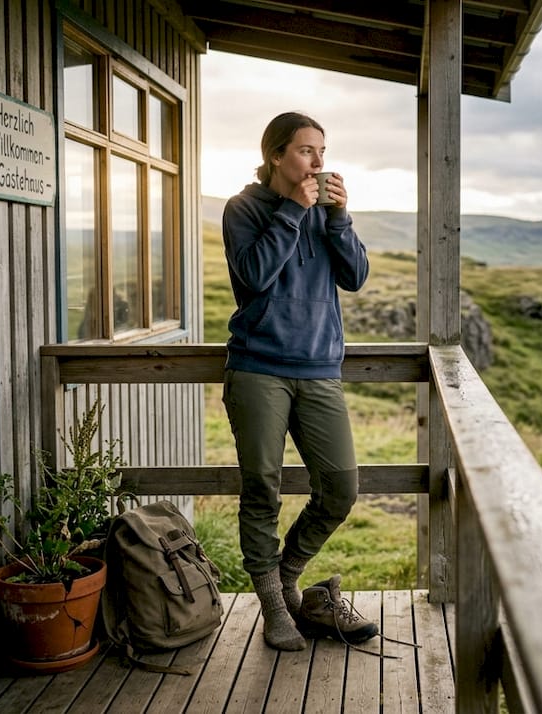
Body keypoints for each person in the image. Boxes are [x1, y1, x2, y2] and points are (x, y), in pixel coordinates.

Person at [221, 111, 376, 651]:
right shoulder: (244, 209)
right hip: (258, 367)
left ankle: (287, 575)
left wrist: (339, 218)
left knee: (340, 487)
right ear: (276, 156)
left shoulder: (324, 212)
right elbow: (254, 275)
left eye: (322, 151)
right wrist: (292, 212)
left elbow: (354, 277)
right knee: (262, 486)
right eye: (307, 151)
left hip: (319, 369)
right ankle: (272, 606)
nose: (318, 161)